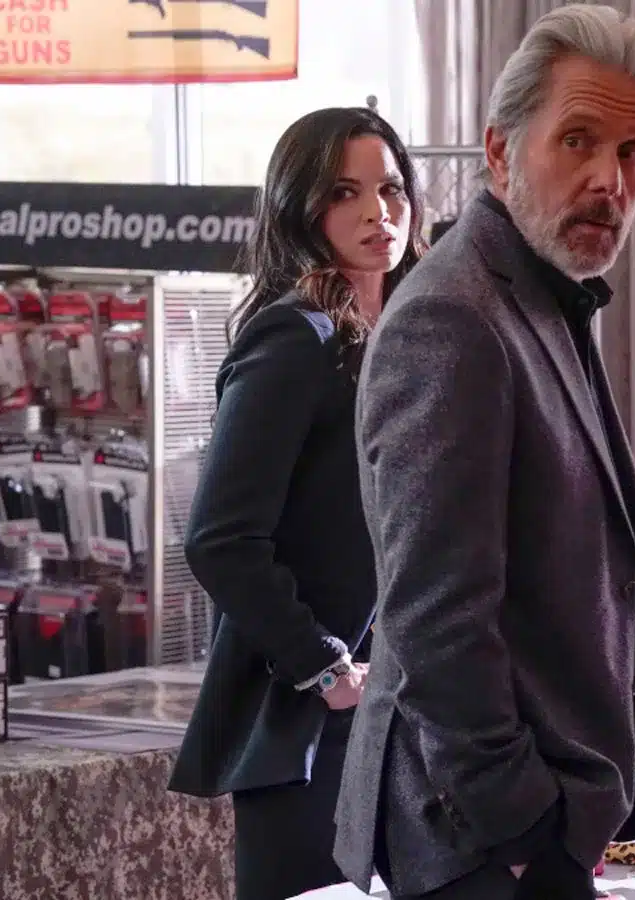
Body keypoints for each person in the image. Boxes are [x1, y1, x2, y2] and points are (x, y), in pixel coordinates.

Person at [333, 6, 635, 899]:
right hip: (477, 842)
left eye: (633, 152)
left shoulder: (541, 292)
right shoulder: (453, 317)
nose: (609, 178)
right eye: (577, 140)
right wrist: (526, 830)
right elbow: (437, 618)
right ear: (499, 152)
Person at [166, 106, 425, 900]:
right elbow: (220, 538)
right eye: (345, 192)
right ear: (301, 208)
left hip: (401, 714)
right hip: (308, 726)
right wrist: (323, 665)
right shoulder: (294, 339)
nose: (377, 212)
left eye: (390, 188)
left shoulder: (408, 336)